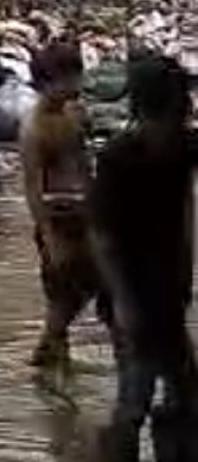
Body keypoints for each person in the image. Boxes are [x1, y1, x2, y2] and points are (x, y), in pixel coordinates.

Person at [92, 55, 196, 462]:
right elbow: (101, 237)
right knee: (135, 399)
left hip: (167, 288)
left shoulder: (182, 146)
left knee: (183, 389)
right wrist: (122, 302)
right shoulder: (120, 157)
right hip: (132, 290)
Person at [19, 42, 111, 369]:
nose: (77, 85)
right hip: (59, 220)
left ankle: (53, 365)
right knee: (66, 295)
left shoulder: (74, 112)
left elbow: (85, 164)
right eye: (69, 79)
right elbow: (32, 186)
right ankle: (47, 358)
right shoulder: (34, 128)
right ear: (47, 82)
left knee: (89, 288)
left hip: (85, 213)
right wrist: (49, 237)